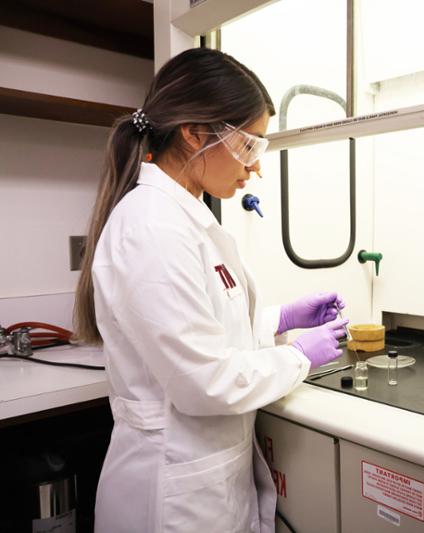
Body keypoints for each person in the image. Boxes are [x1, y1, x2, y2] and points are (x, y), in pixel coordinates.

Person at [72, 48, 348, 532]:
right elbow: (204, 380)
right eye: (248, 145)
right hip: (171, 496)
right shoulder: (153, 227)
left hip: (204, 480)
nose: (256, 167)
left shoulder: (186, 218)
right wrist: (298, 356)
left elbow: (203, 328)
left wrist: (279, 319)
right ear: (195, 133)